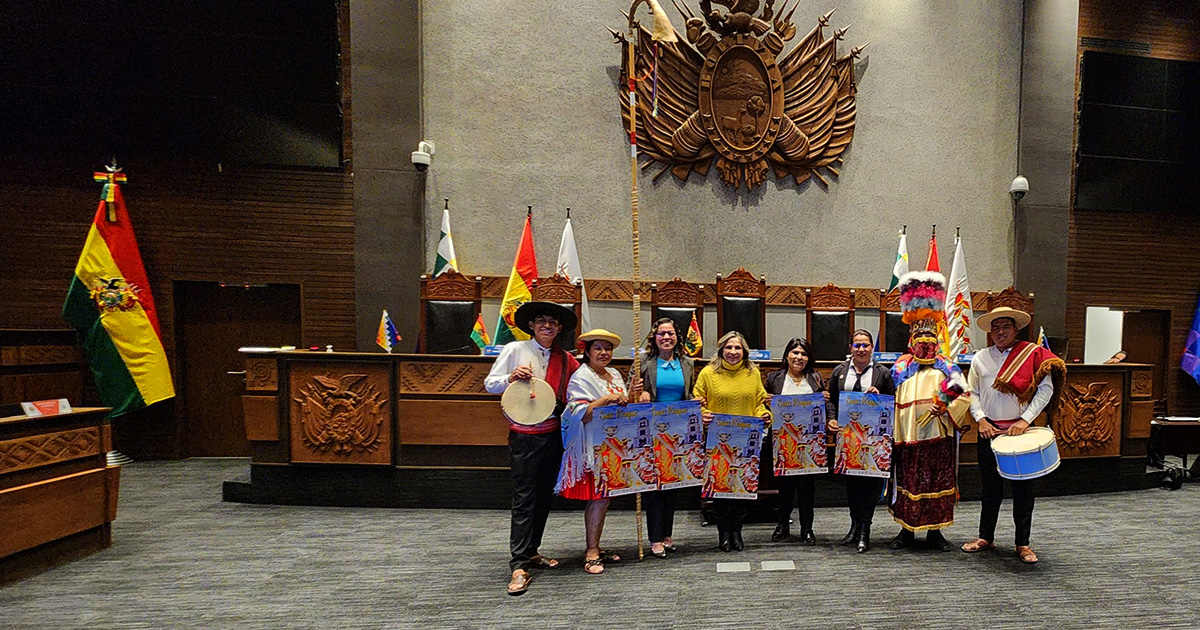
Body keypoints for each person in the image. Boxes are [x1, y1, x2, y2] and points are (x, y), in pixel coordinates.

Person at [484, 301, 579, 596]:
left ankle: (533, 551)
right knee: (524, 499)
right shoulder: (515, 350)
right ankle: (519, 564)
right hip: (524, 437)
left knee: (542, 498)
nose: (547, 325)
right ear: (532, 325)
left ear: (560, 328)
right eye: (541, 321)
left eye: (552, 322)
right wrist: (510, 378)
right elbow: (490, 384)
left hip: (553, 436)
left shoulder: (567, 360)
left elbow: (580, 391)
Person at [962, 307, 1065, 564]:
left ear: (1015, 329)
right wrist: (981, 420)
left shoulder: (1031, 355)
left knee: (1023, 491)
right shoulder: (980, 358)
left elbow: (1045, 390)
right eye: (995, 328)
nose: (1000, 332)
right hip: (989, 432)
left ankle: (1023, 543)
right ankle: (986, 537)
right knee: (989, 489)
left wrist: (1024, 420)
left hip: (1020, 433)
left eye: (1005, 327)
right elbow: (971, 392)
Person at [887, 272, 972, 552]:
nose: (924, 342)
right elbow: (889, 398)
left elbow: (964, 392)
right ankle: (906, 531)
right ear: (911, 339)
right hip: (908, 438)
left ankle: (935, 532)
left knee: (938, 482)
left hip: (939, 439)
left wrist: (945, 403)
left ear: (937, 339)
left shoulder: (947, 366)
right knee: (908, 482)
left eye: (929, 336)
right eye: (919, 336)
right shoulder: (900, 367)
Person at [555, 329, 631, 575]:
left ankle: (596, 544)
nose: (604, 353)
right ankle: (591, 551)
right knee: (598, 498)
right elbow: (577, 414)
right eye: (598, 348)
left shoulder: (616, 374)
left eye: (608, 348)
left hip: (614, 445)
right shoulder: (581, 377)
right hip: (591, 447)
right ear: (586, 351)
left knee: (605, 498)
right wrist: (605, 401)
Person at [693, 331, 771, 552]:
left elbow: (759, 401)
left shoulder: (753, 373)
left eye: (737, 348)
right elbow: (698, 401)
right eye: (728, 348)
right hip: (717, 441)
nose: (733, 352)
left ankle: (737, 531)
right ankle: (723, 533)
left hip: (746, 440)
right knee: (720, 490)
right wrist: (703, 413)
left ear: (744, 351)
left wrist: (765, 415)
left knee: (741, 488)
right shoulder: (708, 373)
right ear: (721, 350)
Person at [827, 329, 895, 553]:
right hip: (848, 439)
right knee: (853, 485)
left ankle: (865, 528)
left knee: (870, 485)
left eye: (865, 345)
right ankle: (854, 526)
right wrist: (832, 419)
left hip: (873, 439)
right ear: (850, 348)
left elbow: (892, 403)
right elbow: (831, 402)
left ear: (871, 348)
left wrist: (880, 397)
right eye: (857, 345)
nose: (861, 349)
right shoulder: (839, 371)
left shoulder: (883, 373)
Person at [634, 318, 696, 558]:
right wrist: (640, 394)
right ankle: (655, 537)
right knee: (654, 486)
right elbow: (631, 391)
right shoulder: (643, 362)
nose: (666, 338)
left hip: (678, 432)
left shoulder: (687, 363)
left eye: (670, 333)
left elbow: (688, 393)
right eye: (661, 334)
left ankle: (667, 534)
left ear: (677, 337)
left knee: (671, 485)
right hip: (652, 431)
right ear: (654, 337)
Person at [763, 337, 827, 545]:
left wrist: (825, 400)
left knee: (807, 488)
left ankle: (807, 528)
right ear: (787, 355)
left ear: (809, 358)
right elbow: (764, 409)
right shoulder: (775, 378)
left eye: (803, 354)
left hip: (810, 443)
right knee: (786, 487)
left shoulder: (816, 379)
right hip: (784, 443)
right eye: (795, 353)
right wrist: (767, 404)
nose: (799, 357)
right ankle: (782, 524)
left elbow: (824, 410)